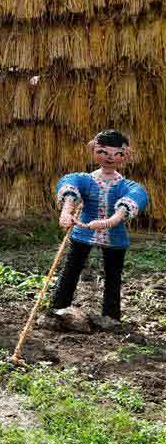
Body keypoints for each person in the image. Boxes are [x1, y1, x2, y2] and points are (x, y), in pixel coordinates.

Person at [49, 129, 148, 325]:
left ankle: (111, 316)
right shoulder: (86, 179)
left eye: (117, 154)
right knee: (71, 269)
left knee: (113, 275)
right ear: (93, 150)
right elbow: (69, 182)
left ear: (125, 155)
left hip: (115, 236)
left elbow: (137, 195)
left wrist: (111, 221)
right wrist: (67, 209)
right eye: (103, 152)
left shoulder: (126, 185)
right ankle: (58, 308)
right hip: (82, 231)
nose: (110, 158)